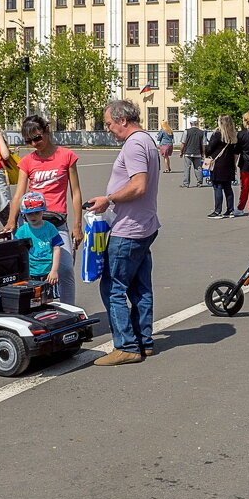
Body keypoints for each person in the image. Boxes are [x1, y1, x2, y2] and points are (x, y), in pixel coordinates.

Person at [85, 99, 161, 365]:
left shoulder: (134, 144)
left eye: (108, 124)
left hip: (129, 228)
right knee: (140, 287)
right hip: (144, 224)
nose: (108, 129)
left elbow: (138, 186)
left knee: (113, 287)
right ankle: (144, 341)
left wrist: (109, 199)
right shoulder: (146, 140)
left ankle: (126, 346)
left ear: (123, 120)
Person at [4, 115, 83, 305]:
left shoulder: (66, 156)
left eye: (37, 138)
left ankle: (68, 311)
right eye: (29, 141)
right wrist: (11, 221)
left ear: (46, 131)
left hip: (57, 222)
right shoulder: (27, 161)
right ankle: (36, 309)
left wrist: (77, 226)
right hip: (31, 222)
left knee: (64, 270)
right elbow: (19, 195)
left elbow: (76, 192)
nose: (34, 143)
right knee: (31, 269)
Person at [14, 191, 64, 296]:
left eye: (37, 212)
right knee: (32, 299)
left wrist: (54, 270)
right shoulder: (22, 231)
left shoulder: (50, 228)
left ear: (43, 212)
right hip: (30, 273)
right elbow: (17, 251)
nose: (33, 216)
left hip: (48, 272)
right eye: (29, 213)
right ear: (24, 214)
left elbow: (56, 248)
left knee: (49, 300)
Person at [205, 114, 239, 218]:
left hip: (218, 164)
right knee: (228, 187)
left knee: (217, 187)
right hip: (229, 164)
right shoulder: (233, 135)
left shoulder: (217, 134)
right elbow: (236, 152)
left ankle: (217, 211)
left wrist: (206, 152)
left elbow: (209, 149)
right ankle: (230, 210)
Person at [179, 119, 206, 188]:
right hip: (198, 152)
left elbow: (183, 143)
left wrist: (181, 152)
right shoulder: (201, 132)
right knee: (198, 168)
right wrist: (203, 153)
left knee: (187, 168)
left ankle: (186, 183)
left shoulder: (186, 131)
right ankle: (199, 182)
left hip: (188, 152)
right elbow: (203, 144)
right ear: (197, 123)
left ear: (190, 123)